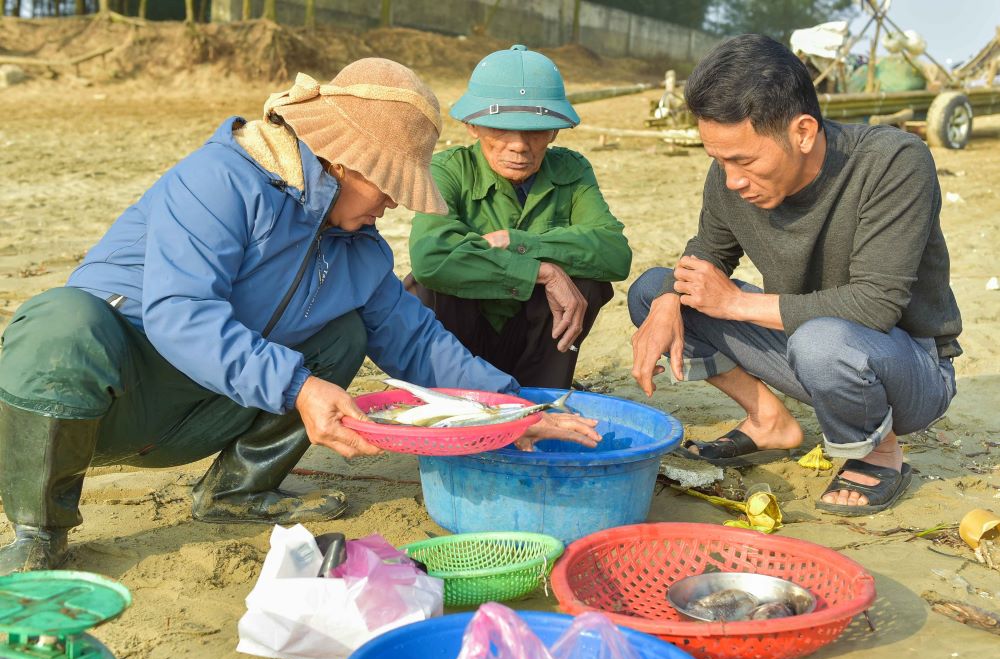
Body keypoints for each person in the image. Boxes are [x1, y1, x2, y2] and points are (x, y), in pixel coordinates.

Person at [0, 59, 600, 575]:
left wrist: (518, 410)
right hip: (111, 400)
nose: (393, 204)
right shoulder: (221, 181)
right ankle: (38, 531)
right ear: (346, 163)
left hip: (209, 409)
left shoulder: (357, 249)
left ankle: (235, 489)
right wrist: (297, 386)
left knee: (344, 330)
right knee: (62, 323)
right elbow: (180, 313)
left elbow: (418, 343)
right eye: (390, 186)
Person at [628, 35, 961, 516]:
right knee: (654, 290)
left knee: (821, 342)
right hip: (813, 350)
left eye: (744, 160)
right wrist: (665, 303)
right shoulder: (730, 177)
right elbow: (707, 252)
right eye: (718, 160)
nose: (732, 179)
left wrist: (736, 304)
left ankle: (880, 450)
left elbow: (874, 305)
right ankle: (768, 421)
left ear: (803, 132)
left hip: (907, 370)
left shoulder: (893, 161)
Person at [405, 45, 632, 388]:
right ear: (473, 126)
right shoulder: (448, 170)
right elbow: (431, 256)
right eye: (502, 129)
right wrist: (542, 271)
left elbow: (615, 253)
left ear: (554, 131)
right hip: (460, 346)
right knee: (425, 285)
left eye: (535, 130)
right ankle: (448, 388)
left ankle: (540, 395)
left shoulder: (572, 170)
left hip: (536, 349)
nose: (519, 145)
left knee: (589, 280)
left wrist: (522, 243)